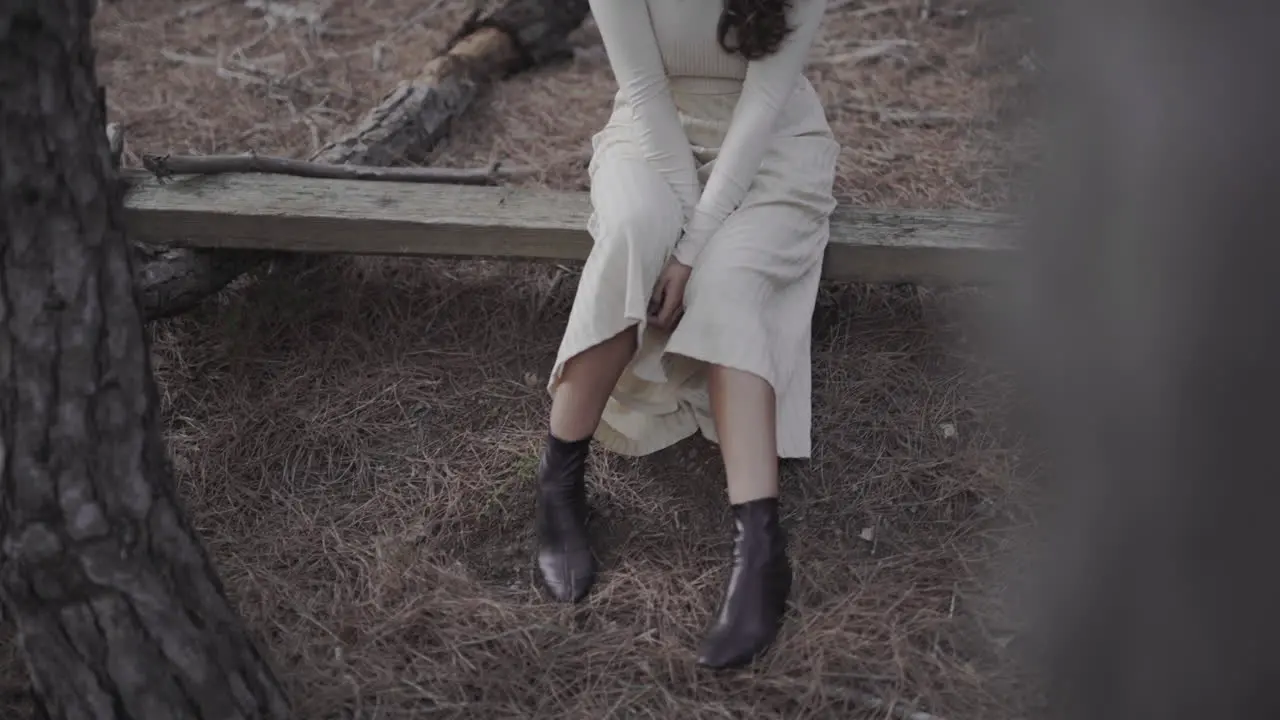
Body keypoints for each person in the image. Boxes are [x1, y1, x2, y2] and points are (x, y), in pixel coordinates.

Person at [534, 0, 837, 669]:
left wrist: (696, 244)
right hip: (652, 128)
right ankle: (558, 485)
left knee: (728, 282)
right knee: (634, 230)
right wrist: (677, 227)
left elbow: (765, 101)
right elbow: (642, 89)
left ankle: (759, 547)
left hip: (772, 144)